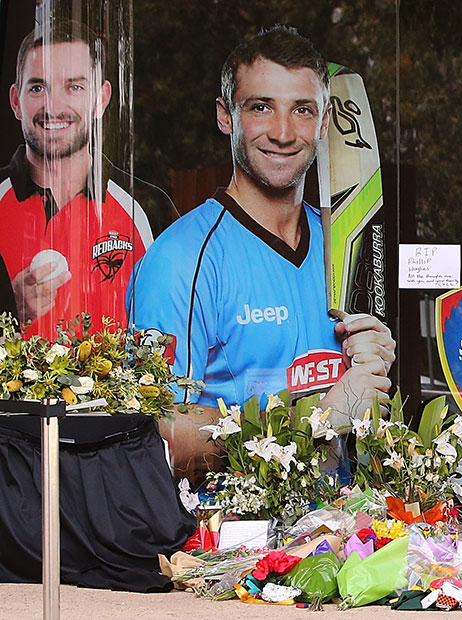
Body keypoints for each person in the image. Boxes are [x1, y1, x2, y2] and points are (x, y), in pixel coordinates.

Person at [127, 26, 395, 428]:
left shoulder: (341, 244)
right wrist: (315, 424)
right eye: (261, 108)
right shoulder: (179, 261)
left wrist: (371, 362)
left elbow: (360, 408)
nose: (282, 133)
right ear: (225, 116)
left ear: (324, 123)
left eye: (302, 110)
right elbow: (157, 431)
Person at [0, 20, 175, 338]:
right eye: (38, 88)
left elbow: (180, 329)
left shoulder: (148, 208)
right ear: (15, 101)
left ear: (100, 99)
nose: (53, 107)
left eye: (74, 87)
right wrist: (10, 309)